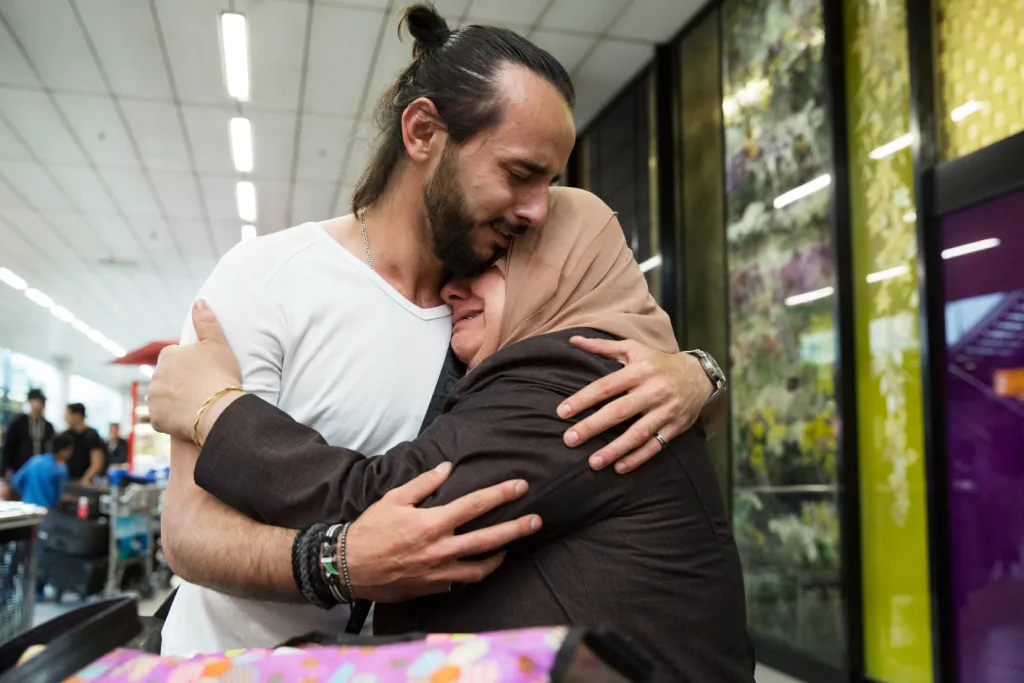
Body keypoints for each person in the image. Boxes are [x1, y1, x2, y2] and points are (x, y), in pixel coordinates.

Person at [154, 3, 726, 656]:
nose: (539, 210)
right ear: (424, 131)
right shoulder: (268, 277)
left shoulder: (498, 317)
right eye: (519, 173)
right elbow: (188, 528)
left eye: (550, 184)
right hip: (230, 663)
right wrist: (337, 562)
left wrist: (699, 372)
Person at [150, 188, 752, 682]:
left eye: (492, 268)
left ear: (557, 272)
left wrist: (215, 407)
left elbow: (381, 498)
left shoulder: (572, 374)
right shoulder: (571, 365)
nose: (450, 290)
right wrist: (703, 371)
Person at [10, 432, 74, 509]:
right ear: (63, 450)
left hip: (26, 508)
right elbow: (61, 496)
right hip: (47, 512)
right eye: (70, 450)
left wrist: (28, 493)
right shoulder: (61, 469)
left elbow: (15, 481)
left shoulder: (34, 460)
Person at [2, 389, 55, 480]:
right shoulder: (18, 423)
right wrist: (5, 470)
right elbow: (8, 446)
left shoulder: (48, 426)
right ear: (30, 401)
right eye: (38, 400)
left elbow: (51, 448)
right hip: (19, 468)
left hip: (41, 471)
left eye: (43, 402)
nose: (41, 404)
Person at [64, 403, 105, 483]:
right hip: (66, 481)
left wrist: (84, 480)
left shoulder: (92, 434)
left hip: (85, 482)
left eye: (68, 414)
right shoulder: (66, 435)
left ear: (78, 415)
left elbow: (97, 463)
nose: (65, 417)